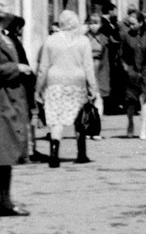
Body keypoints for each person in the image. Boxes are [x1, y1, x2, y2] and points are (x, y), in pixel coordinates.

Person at [35, 10, 99, 168]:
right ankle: (81, 153)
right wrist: (93, 88)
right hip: (77, 81)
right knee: (79, 117)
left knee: (56, 119)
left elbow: (43, 67)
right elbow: (88, 67)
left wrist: (38, 88)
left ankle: (54, 155)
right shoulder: (83, 41)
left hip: (55, 82)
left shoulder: (50, 40)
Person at [0, 0, 32, 216]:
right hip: (2, 101)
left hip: (11, 100)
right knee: (3, 155)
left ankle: (5, 201)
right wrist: (16, 68)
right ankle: (4, 203)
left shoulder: (6, 37)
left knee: (6, 157)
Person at [119, 9, 146, 140]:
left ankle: (143, 129)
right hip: (131, 71)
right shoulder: (127, 36)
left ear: (141, 23)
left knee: (145, 99)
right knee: (130, 101)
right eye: (129, 24)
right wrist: (126, 68)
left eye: (133, 23)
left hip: (145, 70)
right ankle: (130, 123)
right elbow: (122, 54)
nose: (131, 26)